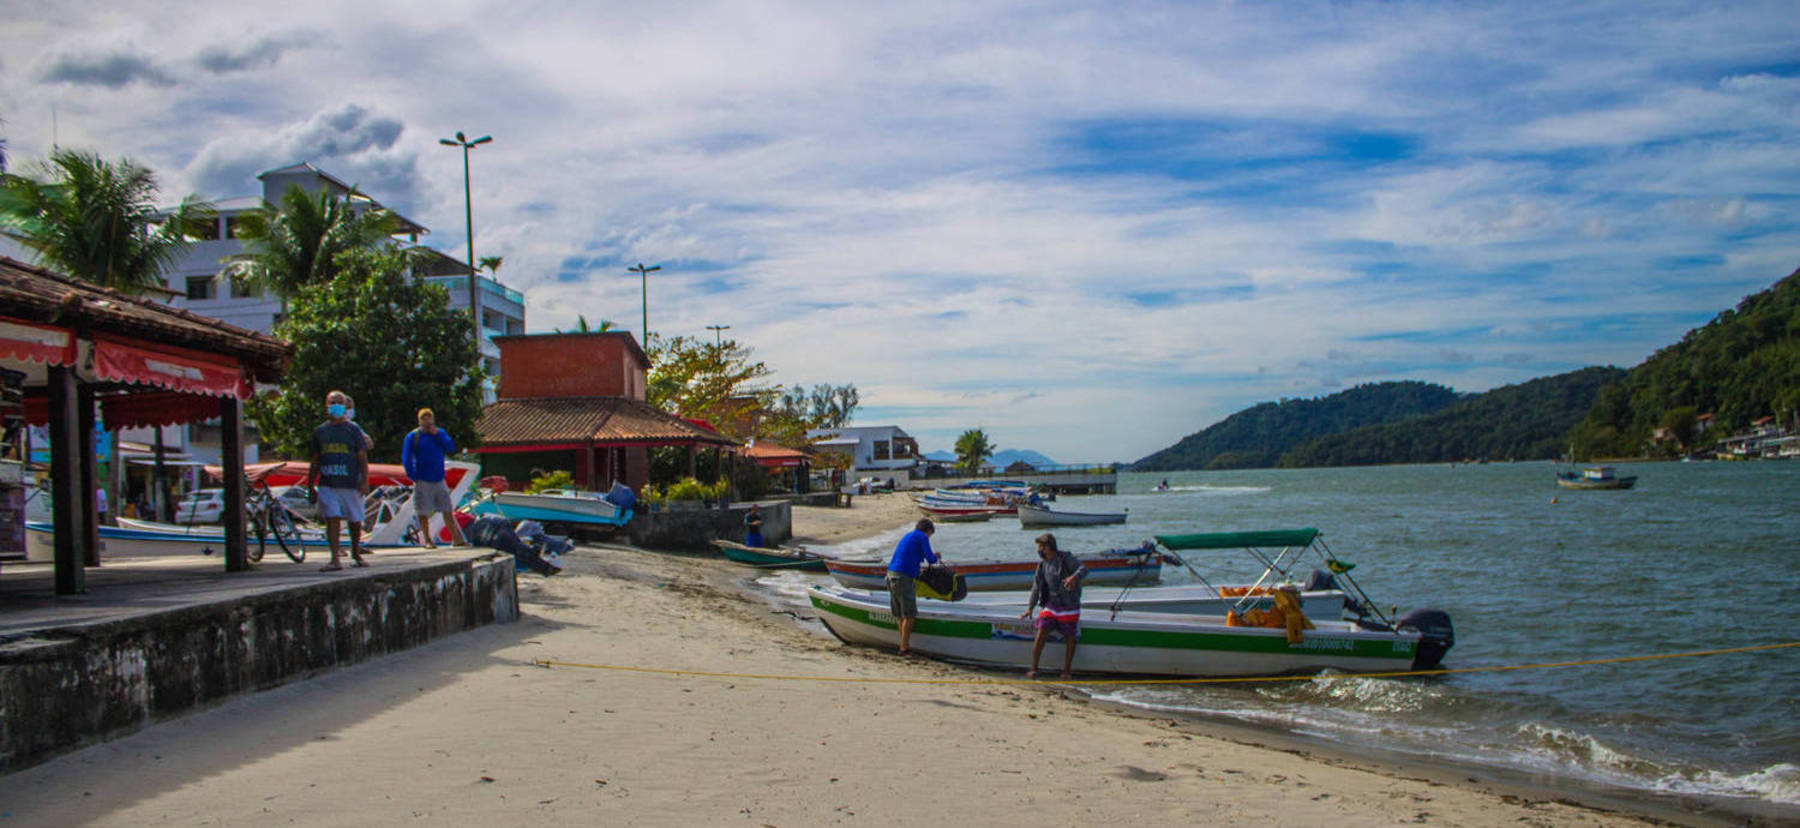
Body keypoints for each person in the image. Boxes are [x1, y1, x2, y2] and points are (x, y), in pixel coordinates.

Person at [306, 390, 370, 571]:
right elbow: (315, 460)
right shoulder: (320, 432)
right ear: (326, 406)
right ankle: (335, 558)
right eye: (332, 402)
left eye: (339, 402)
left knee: (354, 520)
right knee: (331, 518)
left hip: (350, 482)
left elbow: (362, 457)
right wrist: (310, 486)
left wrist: (364, 480)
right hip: (328, 482)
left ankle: (356, 553)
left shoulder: (353, 430)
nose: (336, 405)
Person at [1019, 533, 1086, 678]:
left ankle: (1066, 671)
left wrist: (1073, 578)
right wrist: (1030, 607)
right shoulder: (1042, 565)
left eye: (1041, 548)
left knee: (1070, 636)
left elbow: (1083, 569)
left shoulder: (1065, 558)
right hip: (1052, 605)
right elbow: (1036, 587)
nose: (1039, 551)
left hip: (1069, 605)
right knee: (1042, 630)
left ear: (1048, 547)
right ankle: (1034, 668)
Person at [402, 408, 468, 549]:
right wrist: (413, 475)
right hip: (422, 478)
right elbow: (406, 458)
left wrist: (438, 435)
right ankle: (427, 539)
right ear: (419, 421)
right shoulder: (413, 436)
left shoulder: (439, 433)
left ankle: (456, 538)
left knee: (446, 508)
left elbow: (450, 447)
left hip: (438, 477)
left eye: (429, 418)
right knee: (423, 510)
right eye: (424, 419)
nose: (427, 421)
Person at [885, 518, 940, 655]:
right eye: (930, 535)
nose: (929, 537)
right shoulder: (922, 537)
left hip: (891, 574)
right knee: (909, 615)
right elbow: (931, 559)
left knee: (900, 615)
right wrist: (936, 555)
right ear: (928, 531)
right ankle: (904, 648)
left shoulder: (909, 535)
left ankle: (903, 644)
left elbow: (910, 556)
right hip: (902, 578)